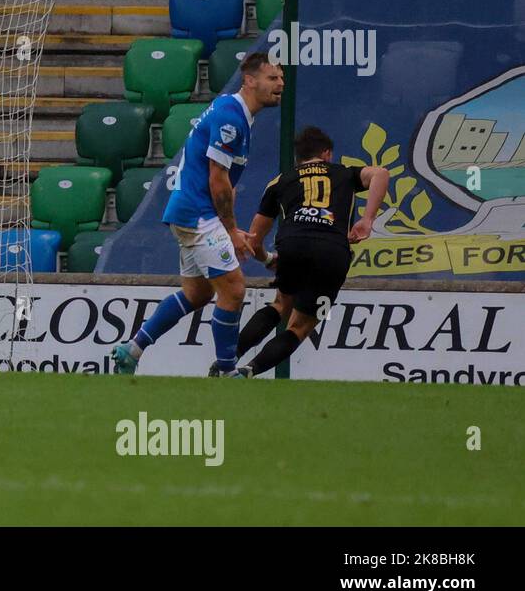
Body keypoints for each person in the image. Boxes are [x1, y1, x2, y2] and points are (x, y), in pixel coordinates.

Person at [108, 51, 283, 376]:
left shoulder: (239, 114)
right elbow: (217, 179)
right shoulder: (231, 115)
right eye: (273, 78)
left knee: (198, 293)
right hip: (197, 214)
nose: (280, 84)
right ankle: (227, 372)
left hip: (194, 213)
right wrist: (229, 231)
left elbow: (222, 182)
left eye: (282, 78)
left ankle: (130, 351)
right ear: (249, 80)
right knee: (233, 289)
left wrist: (231, 228)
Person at [225, 126, 390, 377]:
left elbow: (254, 239)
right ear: (327, 153)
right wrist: (367, 220)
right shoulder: (345, 173)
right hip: (333, 251)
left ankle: (226, 361)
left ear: (298, 158)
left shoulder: (280, 180)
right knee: (300, 327)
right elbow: (381, 173)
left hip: (293, 244)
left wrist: (268, 259)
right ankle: (248, 371)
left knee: (281, 304)